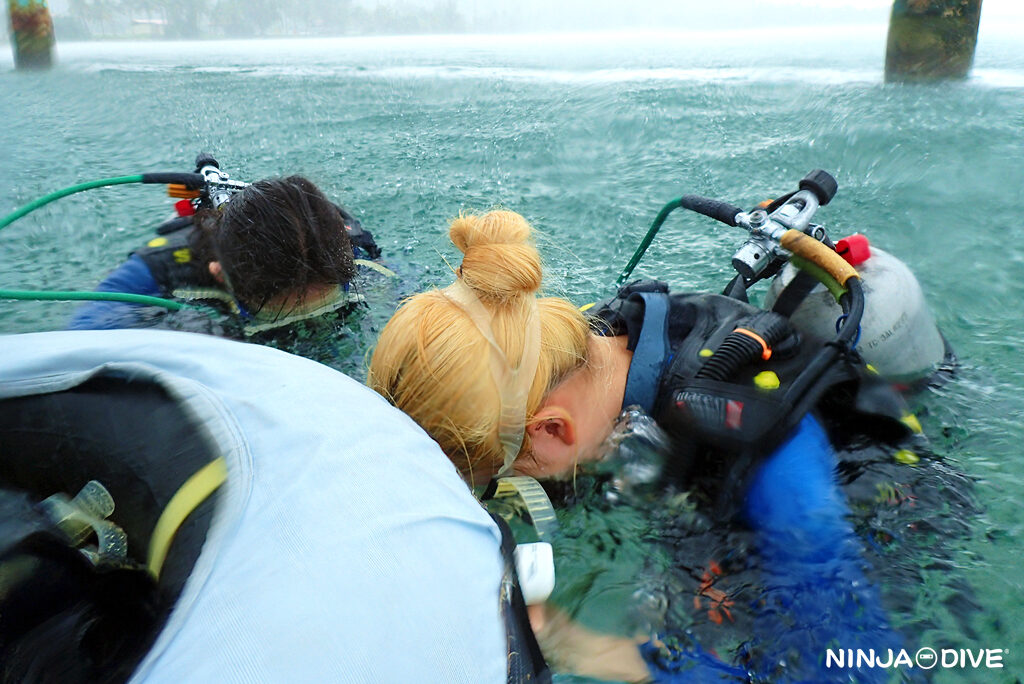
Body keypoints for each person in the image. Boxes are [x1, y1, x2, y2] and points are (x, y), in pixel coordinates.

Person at [367, 209, 919, 682]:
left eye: (504, 474)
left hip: (875, 519)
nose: (512, 488)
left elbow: (850, 665)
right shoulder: (579, 342)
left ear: (551, 430)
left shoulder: (786, 491)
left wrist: (594, 651)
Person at [67, 175, 382, 340]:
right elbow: (80, 338)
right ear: (221, 276)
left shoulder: (347, 253)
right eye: (280, 314)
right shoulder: (163, 268)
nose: (311, 325)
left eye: (329, 304)